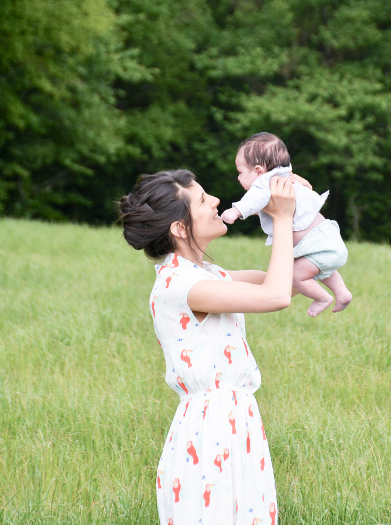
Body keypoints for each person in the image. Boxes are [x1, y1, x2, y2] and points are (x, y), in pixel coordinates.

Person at [118, 169, 298, 525]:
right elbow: (276, 295)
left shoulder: (207, 276)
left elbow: (289, 283)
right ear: (180, 228)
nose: (216, 201)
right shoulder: (180, 285)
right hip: (211, 431)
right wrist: (282, 218)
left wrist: (290, 209)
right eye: (202, 199)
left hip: (233, 424)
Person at [220, 132, 352, 317]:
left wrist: (235, 211)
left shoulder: (265, 183)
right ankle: (342, 293)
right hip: (324, 240)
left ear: (258, 171)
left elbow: (252, 200)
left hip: (314, 242)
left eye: (240, 172)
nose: (238, 178)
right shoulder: (286, 176)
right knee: (319, 267)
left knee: (296, 275)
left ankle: (323, 297)